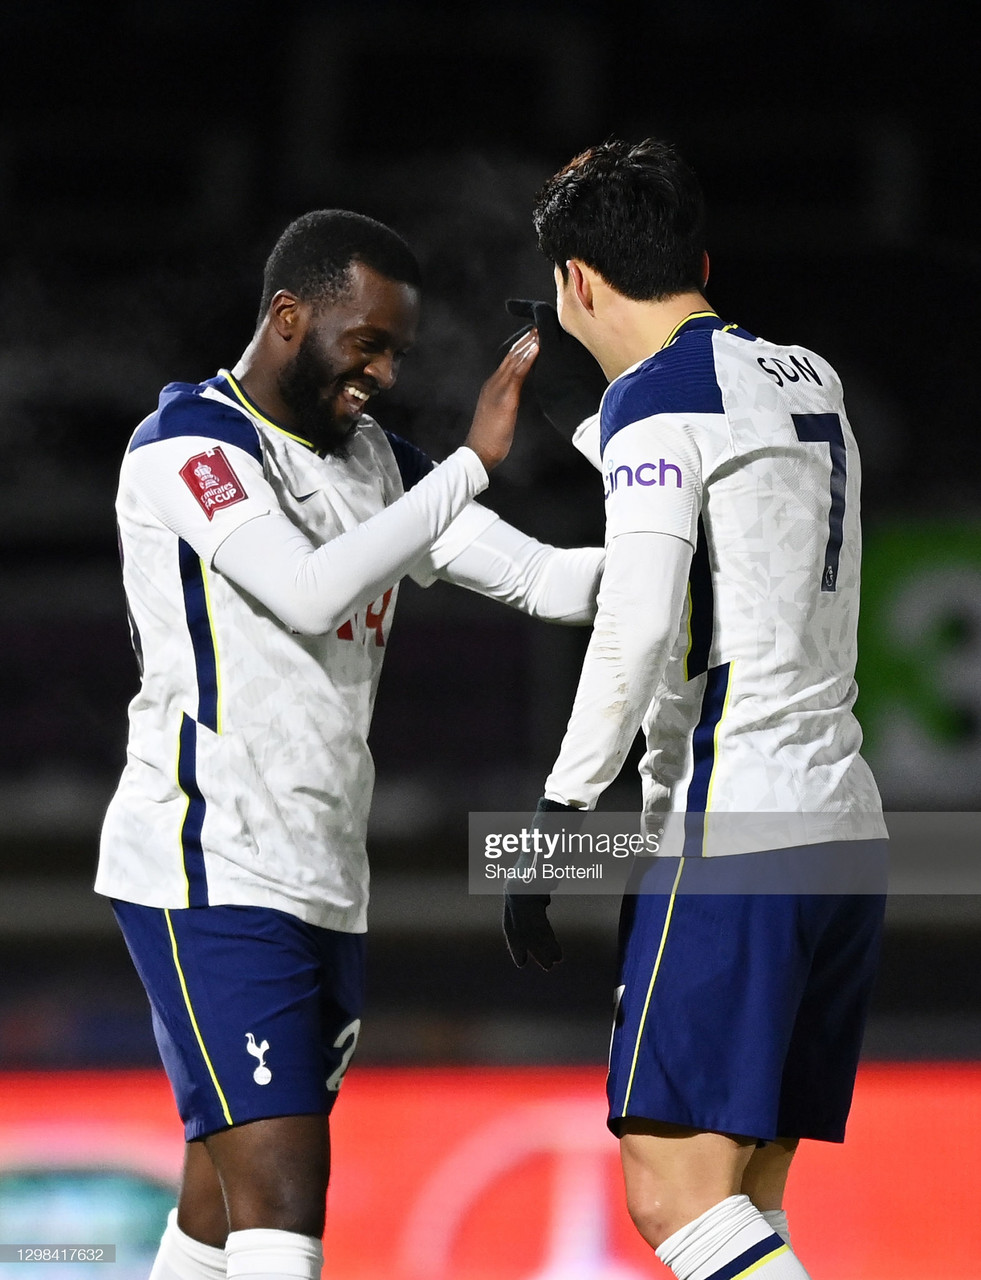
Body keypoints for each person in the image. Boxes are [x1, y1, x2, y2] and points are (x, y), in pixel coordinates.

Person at [97, 209, 604, 1280]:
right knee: (285, 1202)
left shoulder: (377, 462)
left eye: (397, 351)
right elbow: (311, 590)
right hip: (207, 865)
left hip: (323, 879)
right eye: (363, 341)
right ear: (288, 317)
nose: (379, 371)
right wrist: (470, 463)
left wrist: (684, 545)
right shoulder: (191, 443)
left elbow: (551, 582)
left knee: (215, 1206)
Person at [503, 140, 888, 1280]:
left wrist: (560, 815)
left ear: (575, 284)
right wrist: (599, 417)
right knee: (744, 1206)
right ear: (701, 262)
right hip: (843, 829)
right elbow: (723, 492)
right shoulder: (809, 376)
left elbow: (637, 620)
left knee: (672, 1196)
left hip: (734, 828)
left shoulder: (657, 409)